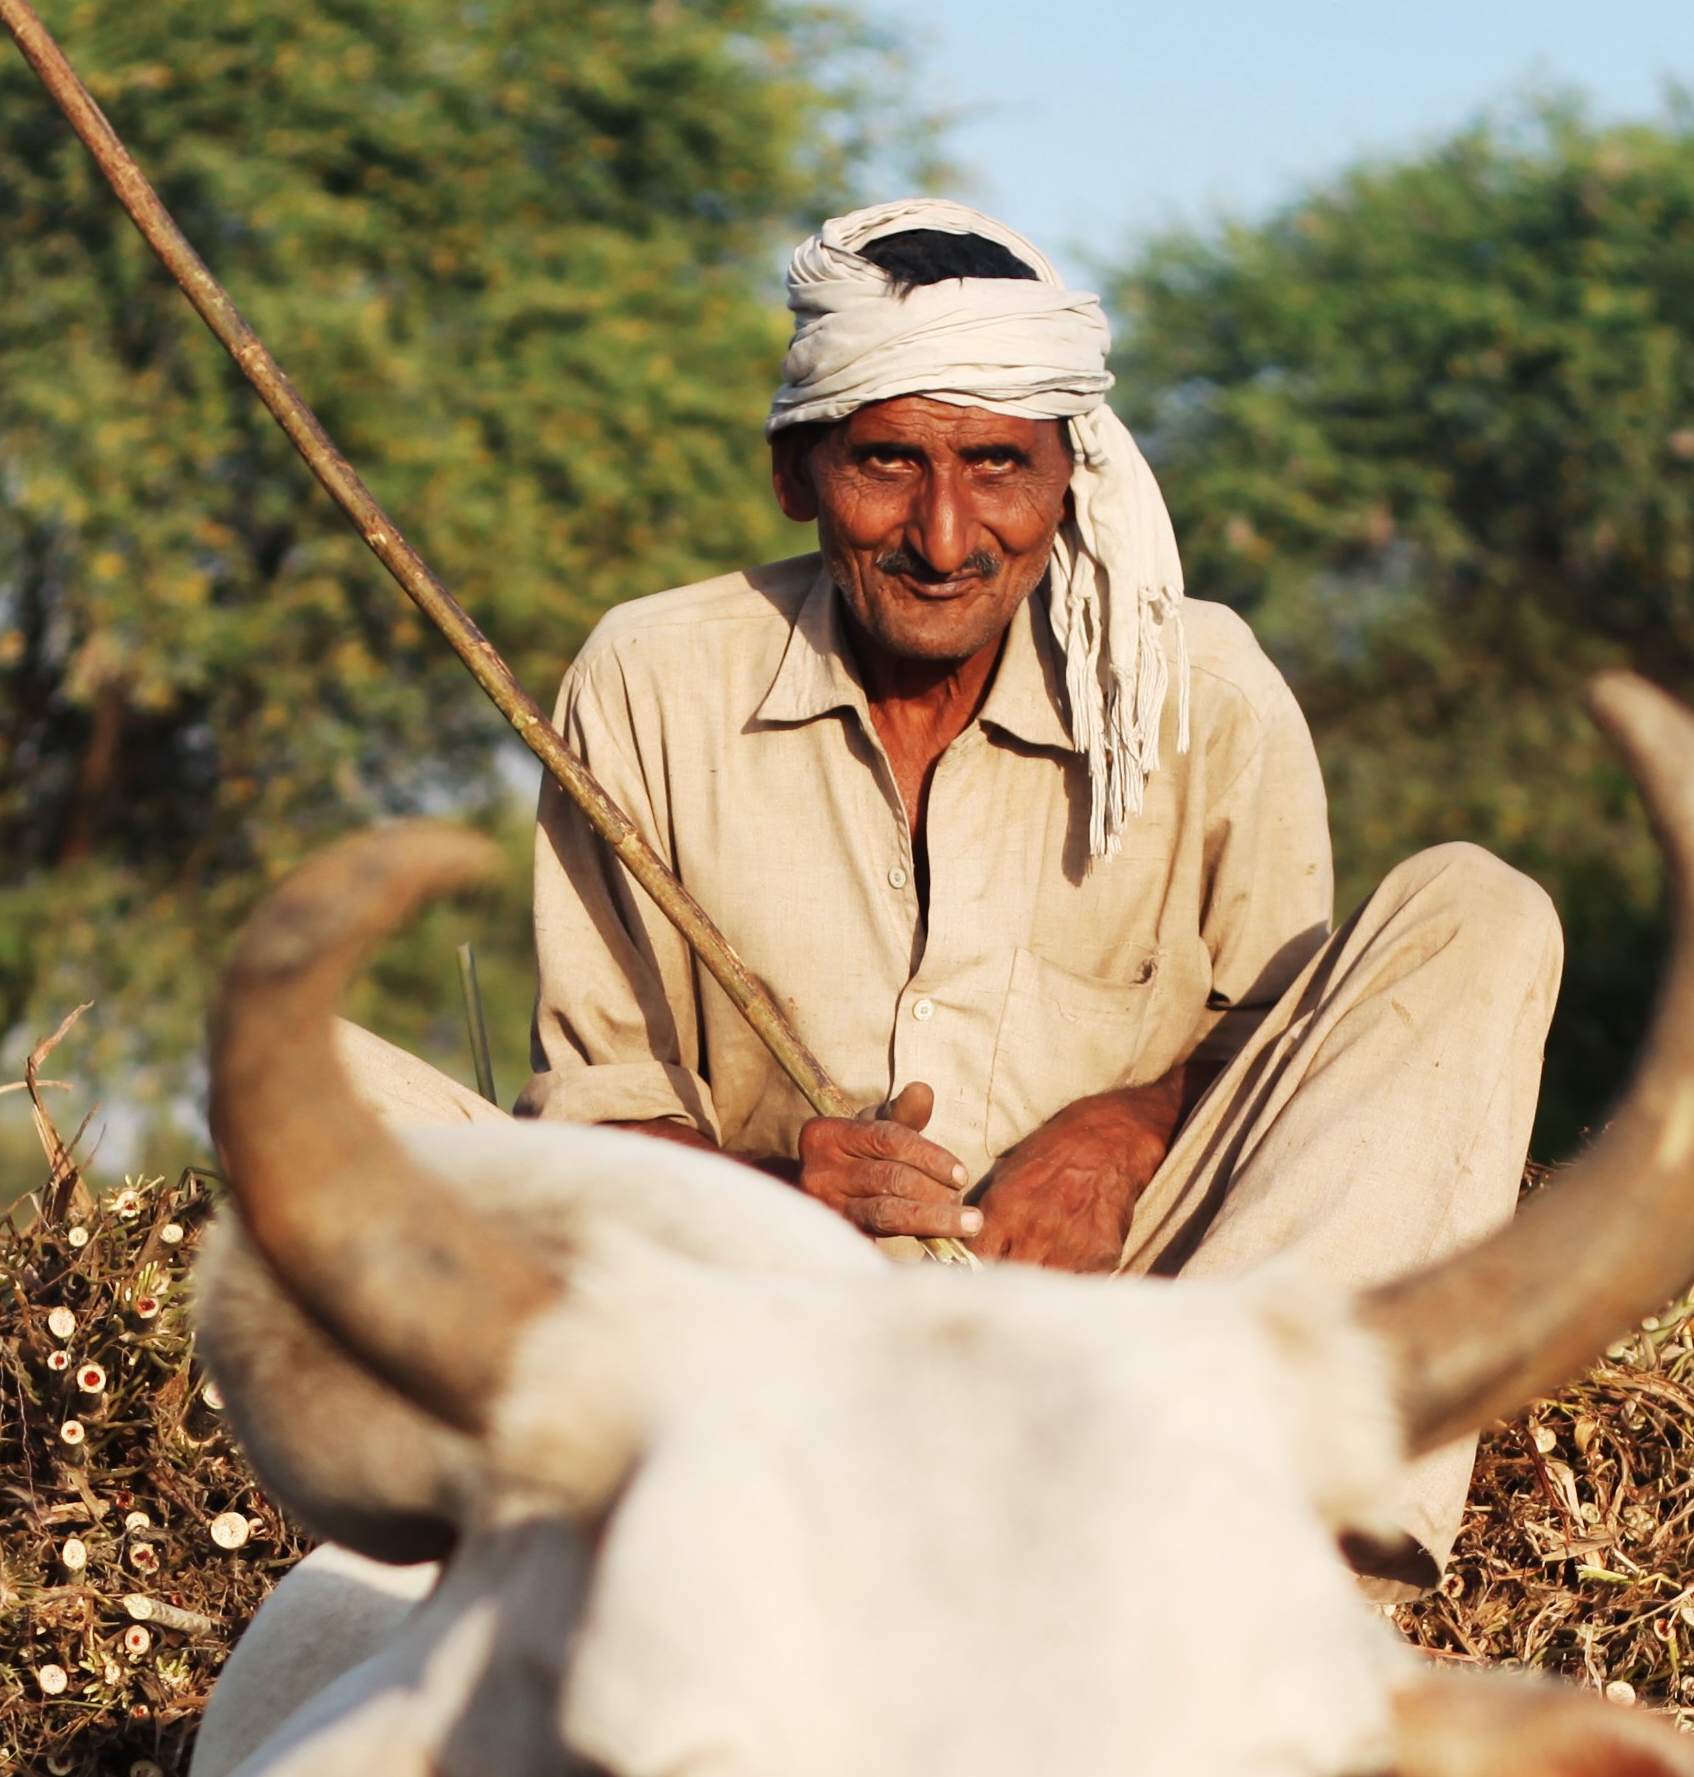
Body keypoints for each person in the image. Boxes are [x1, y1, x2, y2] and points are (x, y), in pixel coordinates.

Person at [472, 195, 1559, 1531]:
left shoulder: (1203, 692)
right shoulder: (650, 681)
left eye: (997, 466)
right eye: (887, 465)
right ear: (795, 474)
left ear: (1068, 479)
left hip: (1153, 1316)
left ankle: (1245, 1484)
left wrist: (1126, 1131)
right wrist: (785, 1191)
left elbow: (1281, 1075)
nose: (943, 537)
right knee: (352, 1096)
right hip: (769, 1313)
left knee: (1484, 909)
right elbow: (593, 1118)